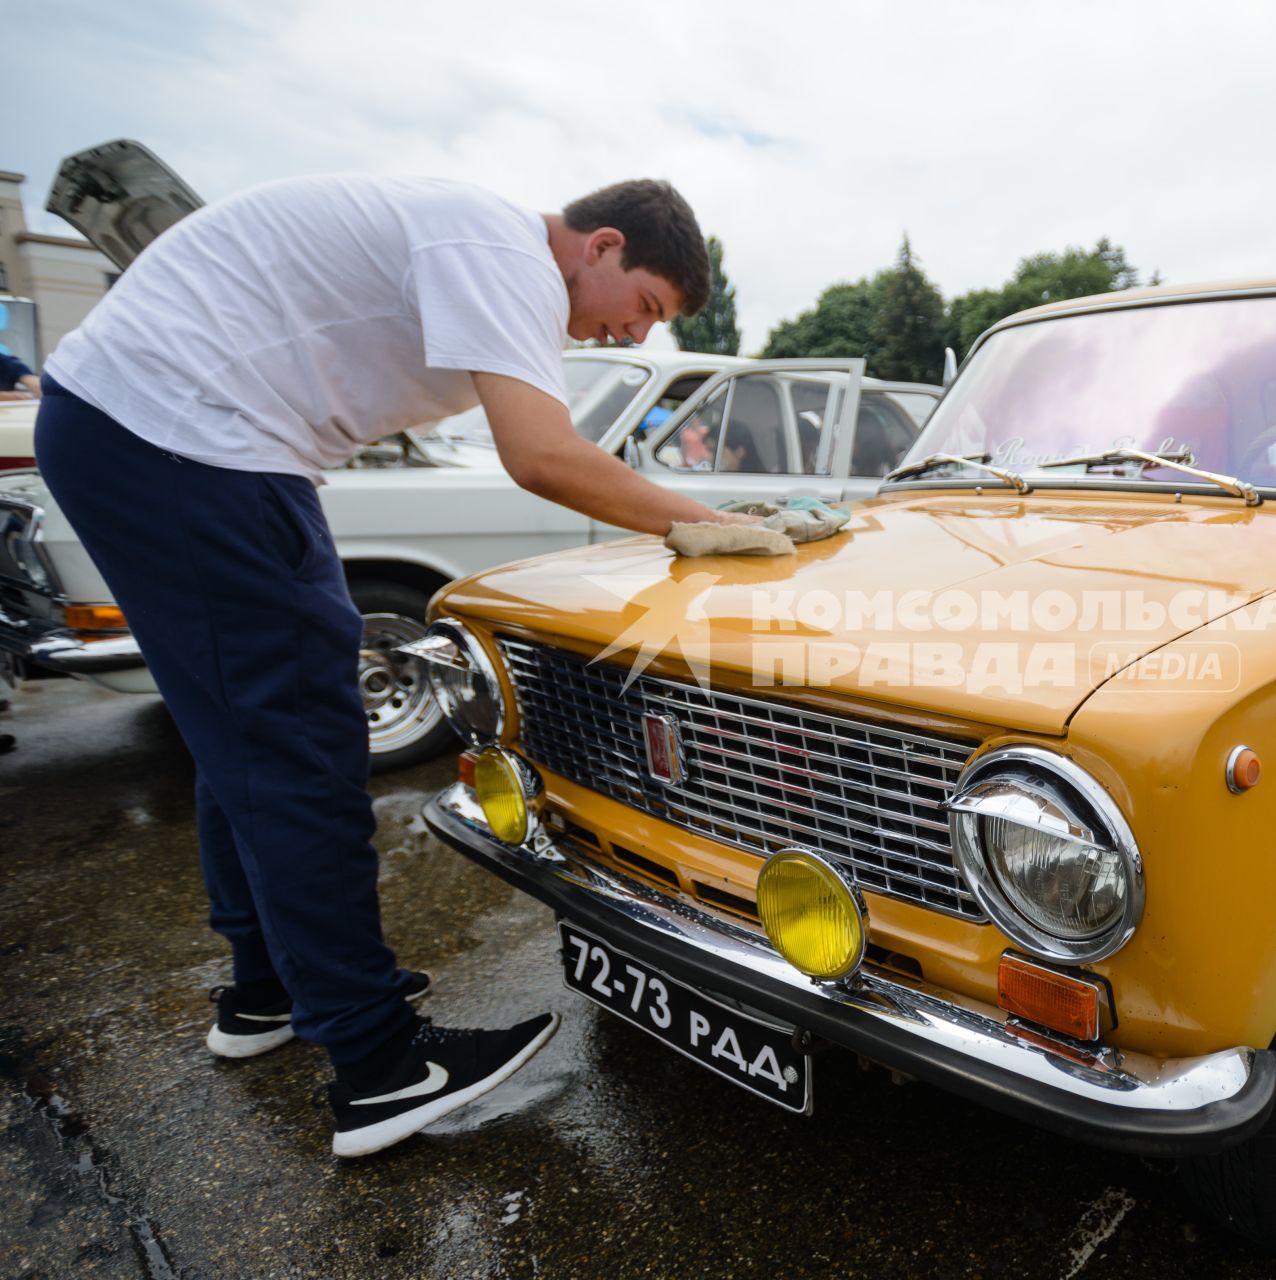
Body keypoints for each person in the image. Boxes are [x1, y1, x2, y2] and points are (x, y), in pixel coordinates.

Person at [33, 172, 753, 1159]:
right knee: (303, 737)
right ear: (600, 246)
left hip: (141, 424)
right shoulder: (505, 255)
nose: (633, 336)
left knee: (240, 728)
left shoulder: (474, 248)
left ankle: (267, 988)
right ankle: (380, 1066)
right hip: (184, 433)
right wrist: (717, 524)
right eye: (645, 308)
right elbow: (541, 456)